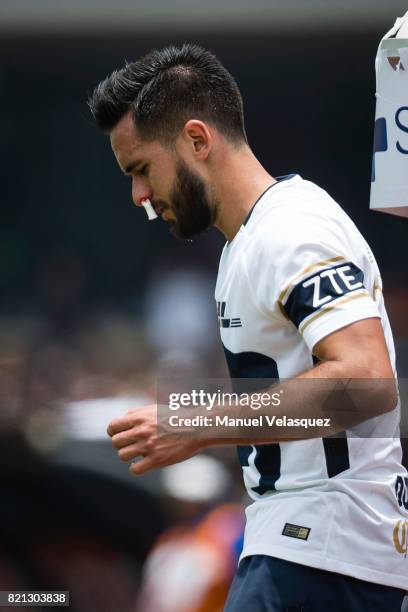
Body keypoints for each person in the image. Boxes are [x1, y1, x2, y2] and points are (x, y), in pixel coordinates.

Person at [88, 44, 407, 611]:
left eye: (141, 170)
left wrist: (194, 422)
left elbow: (369, 379)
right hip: (306, 550)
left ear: (196, 140)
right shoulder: (246, 242)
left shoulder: (292, 228)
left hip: (323, 554)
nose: (139, 196)